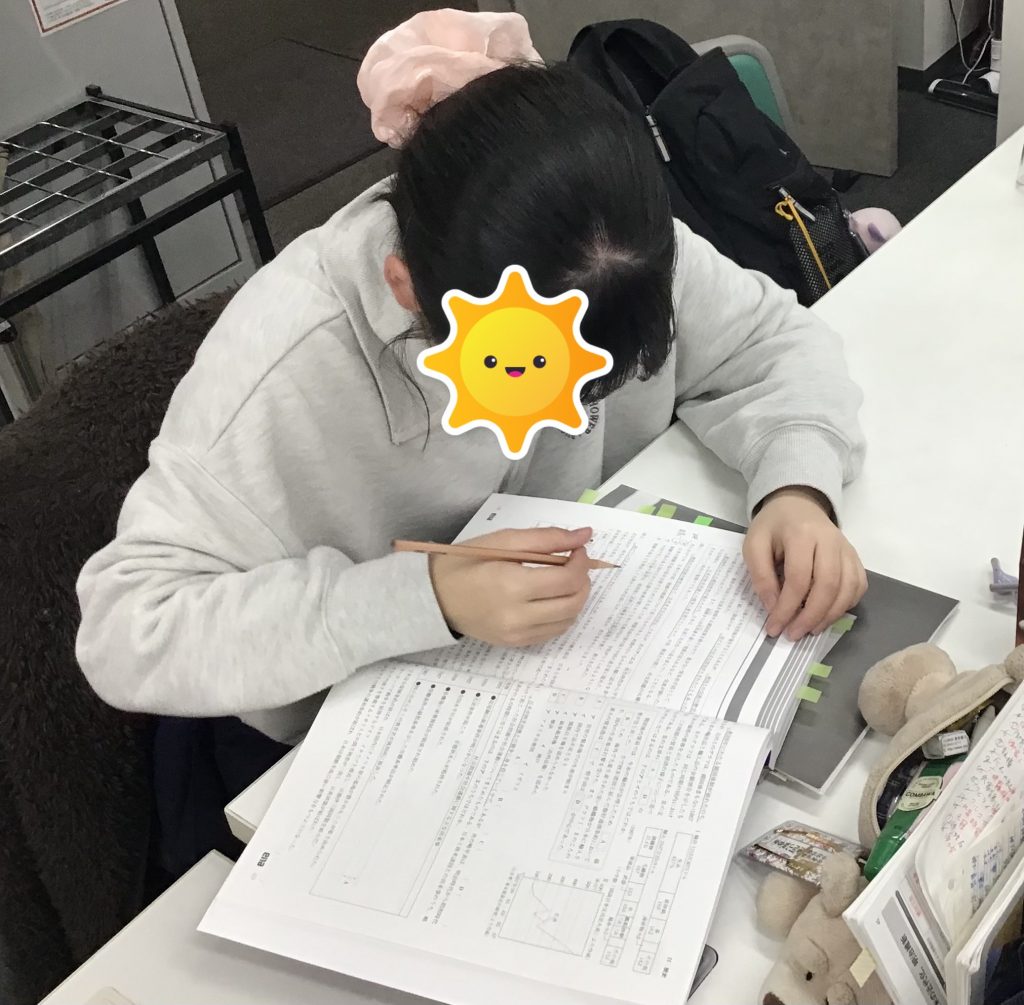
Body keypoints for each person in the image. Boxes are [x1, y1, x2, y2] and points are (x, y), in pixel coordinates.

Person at [76, 11, 866, 864]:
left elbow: (773, 341)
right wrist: (428, 597)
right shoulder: (281, 367)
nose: (564, 413)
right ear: (407, 289)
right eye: (534, 378)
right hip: (337, 745)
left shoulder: (607, 243)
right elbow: (127, 627)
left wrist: (796, 485)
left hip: (561, 685)